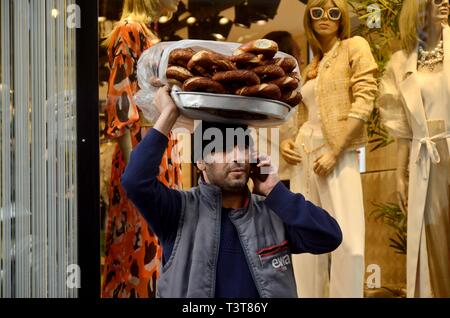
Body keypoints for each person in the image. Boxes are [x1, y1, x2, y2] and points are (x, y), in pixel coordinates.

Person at [121, 86, 343, 298]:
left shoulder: (272, 212)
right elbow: (135, 180)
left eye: (243, 147)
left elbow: (329, 237)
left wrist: (274, 191)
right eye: (222, 149)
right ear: (200, 161)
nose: (236, 157)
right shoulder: (178, 210)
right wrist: (169, 114)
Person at [280, 0, 378, 298]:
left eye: (333, 12)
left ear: (342, 18)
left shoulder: (354, 47)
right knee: (304, 238)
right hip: (304, 154)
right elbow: (301, 113)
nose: (325, 18)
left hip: (337, 152)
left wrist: (336, 150)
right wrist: (288, 142)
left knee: (349, 242)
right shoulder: (312, 65)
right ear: (309, 18)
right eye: (317, 12)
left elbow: (365, 100)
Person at [101, 0, 182, 298]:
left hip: (159, 145)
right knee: (138, 237)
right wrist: (138, 165)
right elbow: (120, 96)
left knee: (159, 234)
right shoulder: (129, 31)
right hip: (142, 147)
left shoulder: (148, 33)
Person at [378, 0, 450, 298]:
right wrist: (399, 173)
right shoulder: (400, 62)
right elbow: (402, 128)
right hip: (425, 158)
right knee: (434, 239)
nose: (444, 2)